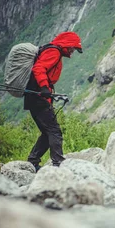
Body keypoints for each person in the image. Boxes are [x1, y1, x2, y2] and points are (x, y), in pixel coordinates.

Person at [25, 31, 83, 172]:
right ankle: (58, 164)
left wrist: (47, 91)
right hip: (38, 96)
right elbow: (38, 68)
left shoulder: (53, 51)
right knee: (54, 131)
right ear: (67, 45)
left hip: (35, 97)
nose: (73, 51)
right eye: (73, 48)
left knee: (47, 132)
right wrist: (44, 87)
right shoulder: (53, 52)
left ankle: (32, 162)